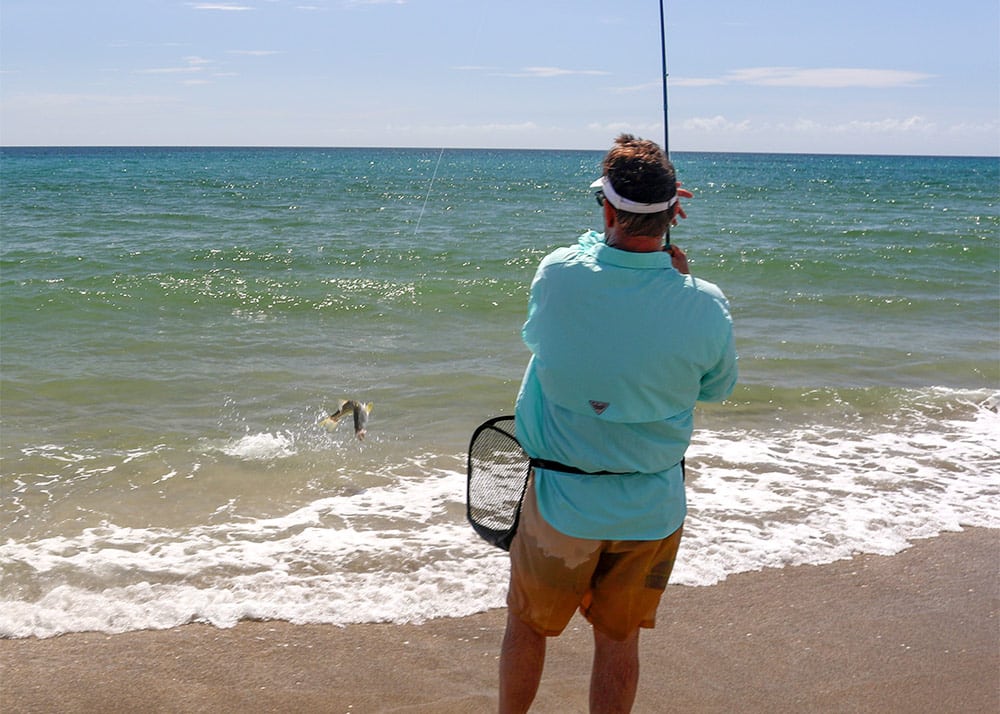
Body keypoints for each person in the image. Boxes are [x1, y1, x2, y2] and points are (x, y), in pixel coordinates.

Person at [499, 134, 738, 713]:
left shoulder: (559, 273)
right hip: (651, 509)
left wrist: (634, 235)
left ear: (606, 210)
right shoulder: (705, 302)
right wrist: (676, 277)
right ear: (672, 213)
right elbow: (715, 388)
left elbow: (546, 320)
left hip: (561, 504)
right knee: (619, 638)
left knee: (528, 626)